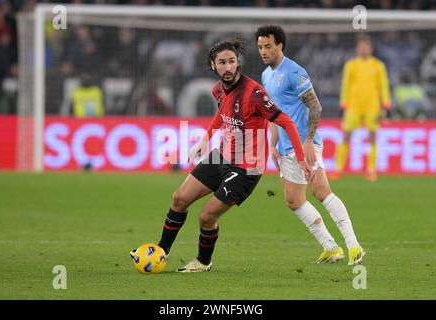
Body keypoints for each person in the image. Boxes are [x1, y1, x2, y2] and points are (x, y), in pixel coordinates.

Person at [131, 39, 315, 273]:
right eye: (222, 62)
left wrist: (300, 158)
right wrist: (206, 139)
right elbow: (222, 113)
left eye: (231, 61)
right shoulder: (217, 89)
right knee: (179, 199)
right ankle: (160, 252)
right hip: (222, 156)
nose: (228, 67)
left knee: (206, 216)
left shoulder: (254, 93)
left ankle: (203, 261)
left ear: (238, 63)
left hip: (246, 168)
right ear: (213, 65)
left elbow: (286, 122)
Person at [256, 25, 365, 266]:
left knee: (320, 191)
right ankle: (331, 248)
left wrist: (307, 141)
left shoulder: (295, 72)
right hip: (285, 146)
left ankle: (353, 245)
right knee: (294, 199)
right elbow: (273, 113)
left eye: (268, 46)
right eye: (260, 47)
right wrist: (272, 144)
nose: (263, 51)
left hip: (305, 144)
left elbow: (316, 107)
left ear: (280, 45)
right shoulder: (266, 75)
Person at [334, 34, 392, 181]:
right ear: (358, 48)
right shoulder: (351, 65)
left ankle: (371, 170)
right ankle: (338, 168)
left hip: (372, 106)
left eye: (366, 47)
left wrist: (386, 104)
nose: (364, 49)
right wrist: (343, 104)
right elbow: (346, 85)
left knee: (372, 137)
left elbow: (383, 86)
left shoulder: (378, 65)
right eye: (362, 47)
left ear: (371, 49)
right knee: (346, 136)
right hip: (354, 105)